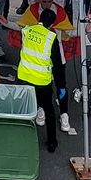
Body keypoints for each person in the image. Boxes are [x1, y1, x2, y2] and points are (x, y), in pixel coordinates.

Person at [16, 12, 64, 153]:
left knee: (24, 108)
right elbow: (57, 63)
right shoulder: (51, 38)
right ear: (52, 24)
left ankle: (21, 137)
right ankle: (51, 142)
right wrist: (61, 85)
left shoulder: (27, 31)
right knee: (48, 110)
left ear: (39, 19)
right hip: (42, 81)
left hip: (24, 77)